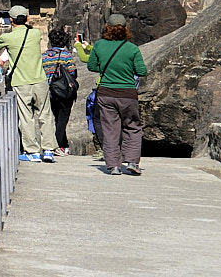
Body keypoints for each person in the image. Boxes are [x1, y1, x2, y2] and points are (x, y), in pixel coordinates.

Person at [87, 14, 149, 176]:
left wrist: (107, 69)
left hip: (106, 92)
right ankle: (133, 162)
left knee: (110, 129)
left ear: (107, 27)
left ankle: (114, 165)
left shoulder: (99, 45)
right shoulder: (132, 48)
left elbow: (91, 66)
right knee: (132, 126)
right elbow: (141, 71)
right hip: (127, 94)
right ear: (125, 28)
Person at [0, 5, 55, 162]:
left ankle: (33, 151)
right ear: (27, 18)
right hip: (40, 80)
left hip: (21, 82)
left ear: (12, 20)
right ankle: (48, 150)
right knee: (45, 115)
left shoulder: (9, 37)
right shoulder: (35, 34)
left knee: (26, 117)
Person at [42, 22, 84, 155]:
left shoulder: (44, 56)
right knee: (63, 118)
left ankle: (63, 145)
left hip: (50, 91)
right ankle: (57, 145)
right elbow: (72, 72)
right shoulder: (66, 55)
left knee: (56, 117)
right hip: (64, 91)